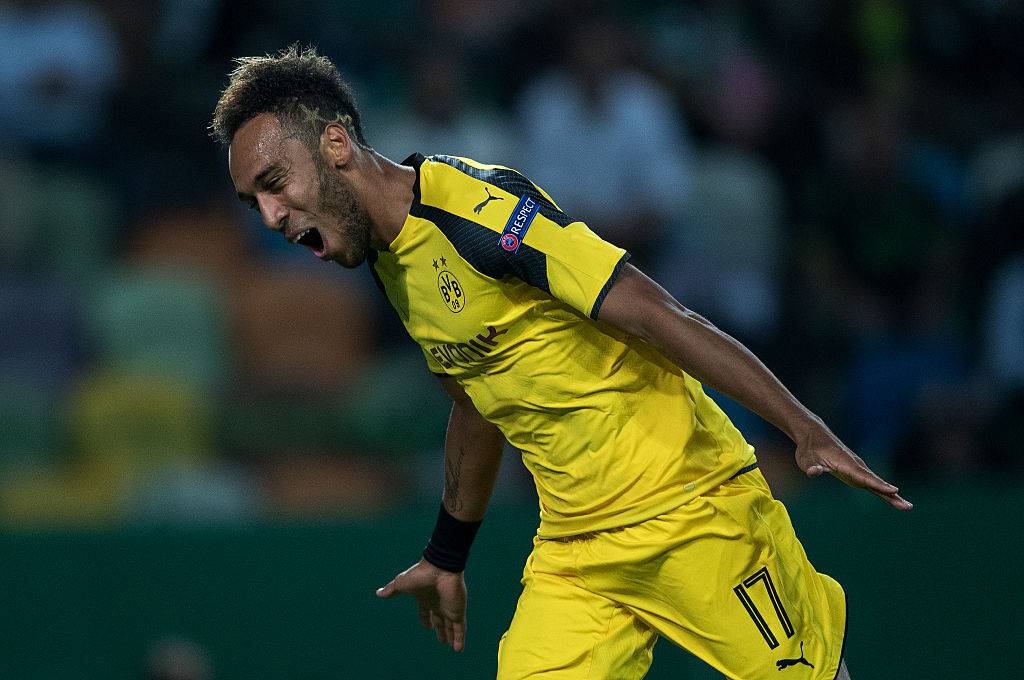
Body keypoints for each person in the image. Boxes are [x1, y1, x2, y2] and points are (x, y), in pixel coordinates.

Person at [211, 46, 912, 680]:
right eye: (254, 201)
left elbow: (652, 311)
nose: (270, 215)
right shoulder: (390, 259)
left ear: (335, 144)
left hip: (692, 506)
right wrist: (446, 553)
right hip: (579, 552)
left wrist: (802, 425)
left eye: (275, 182)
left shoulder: (479, 215)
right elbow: (474, 399)